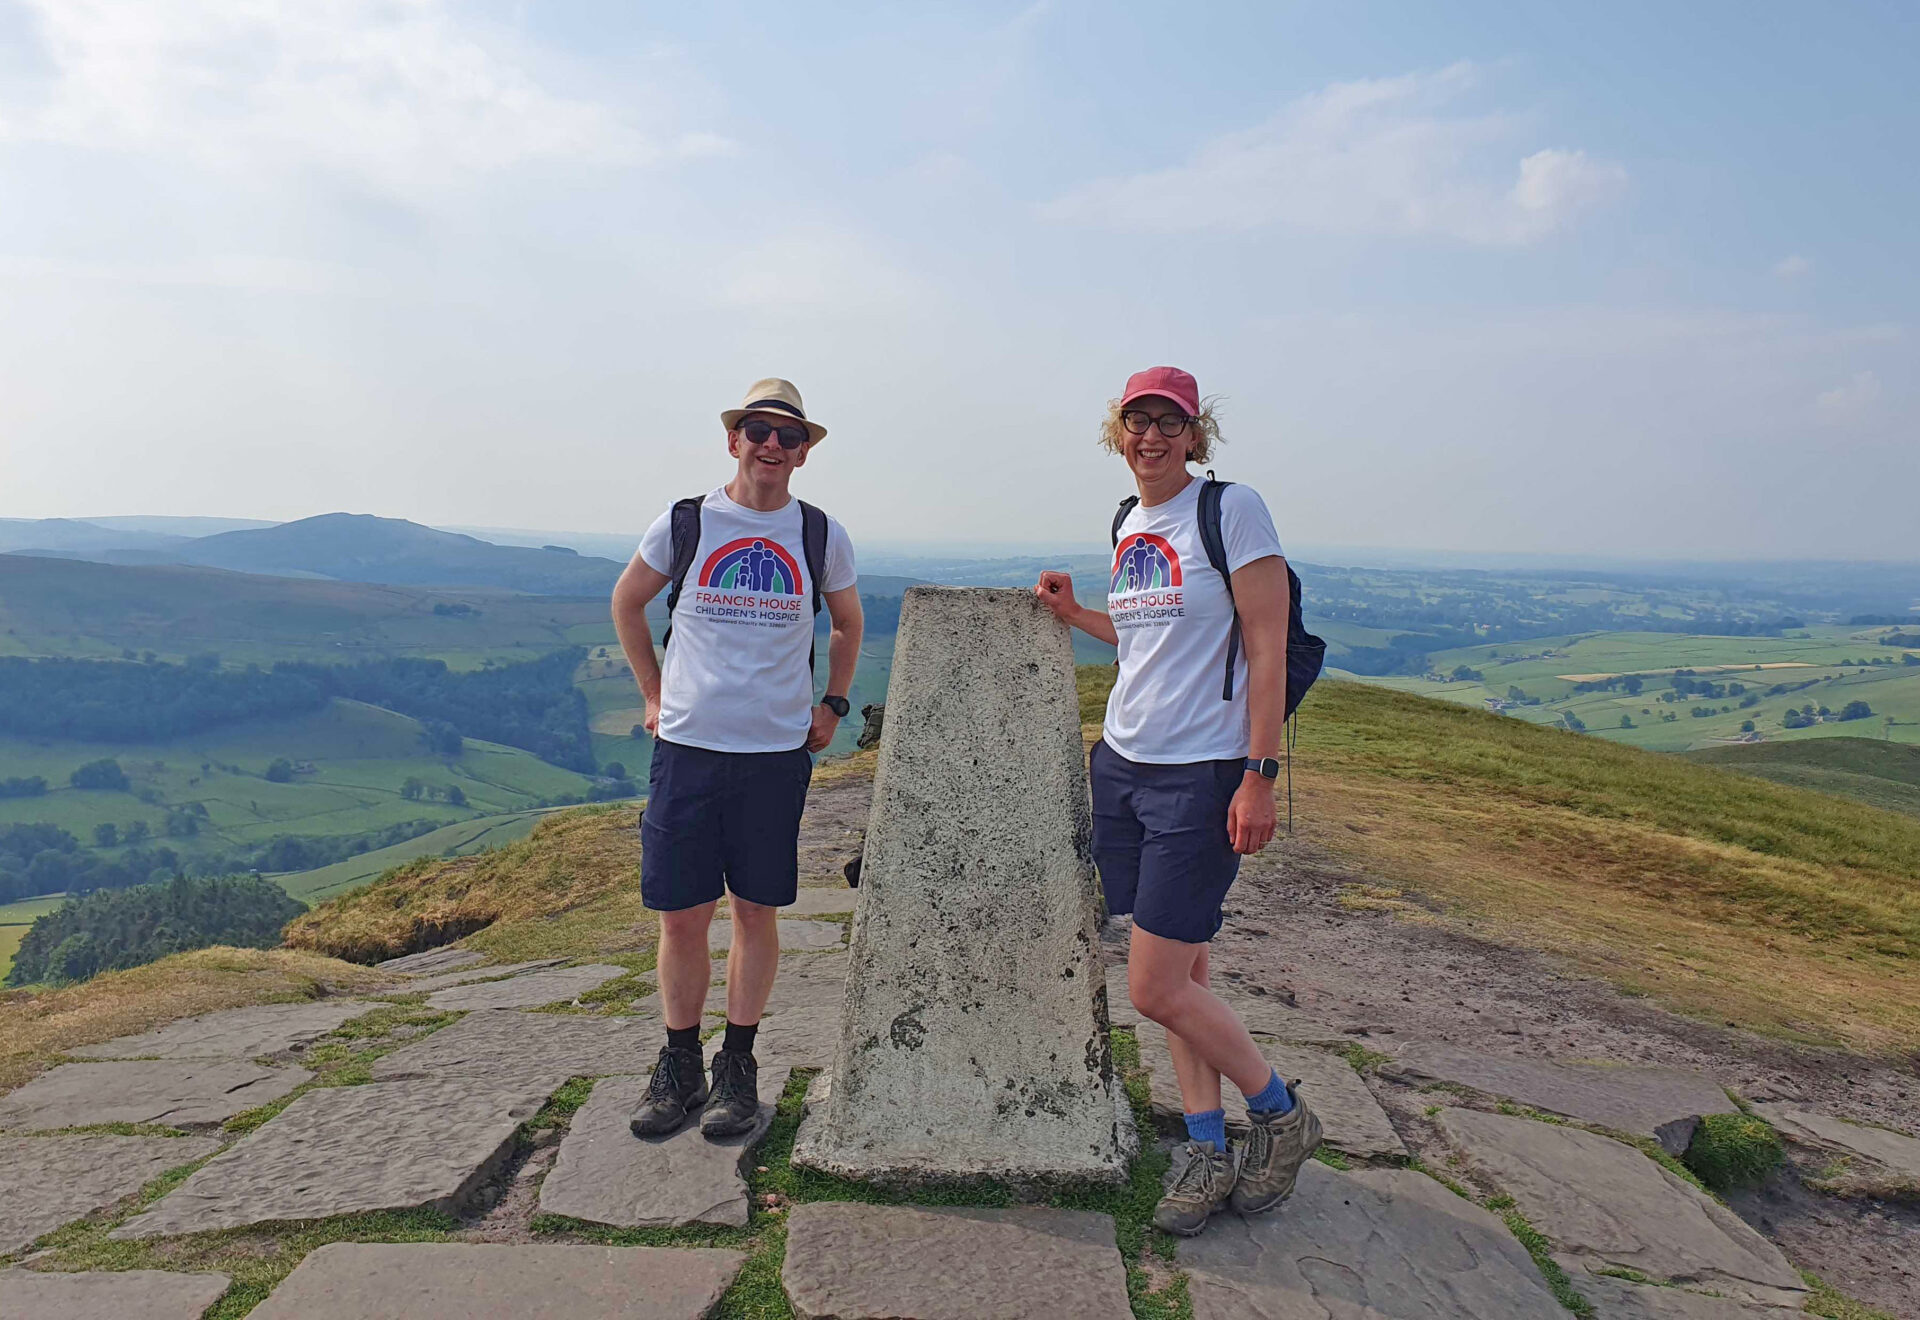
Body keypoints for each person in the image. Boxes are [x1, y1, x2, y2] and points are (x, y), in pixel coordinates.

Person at [1035, 365, 1321, 1236]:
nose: (1151, 436)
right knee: (1187, 972)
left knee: (1155, 988)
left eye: (1169, 423)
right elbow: (1148, 637)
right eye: (1137, 421)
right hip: (1124, 766)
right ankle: (1203, 1145)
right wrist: (1080, 615)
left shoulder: (1230, 510)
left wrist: (1260, 775)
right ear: (1117, 433)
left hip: (1203, 775)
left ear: (1197, 435)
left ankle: (1280, 1115)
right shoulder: (1131, 521)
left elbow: (1265, 648)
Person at [611, 377, 862, 1140]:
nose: (772, 446)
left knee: (756, 911)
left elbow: (849, 624)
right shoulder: (687, 522)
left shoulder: (818, 534)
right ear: (733, 439)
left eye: (789, 436)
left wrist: (833, 705)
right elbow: (628, 601)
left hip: (771, 754)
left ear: (804, 452)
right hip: (688, 748)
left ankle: (738, 1066)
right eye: (759, 430)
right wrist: (653, 693)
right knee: (682, 915)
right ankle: (679, 1062)